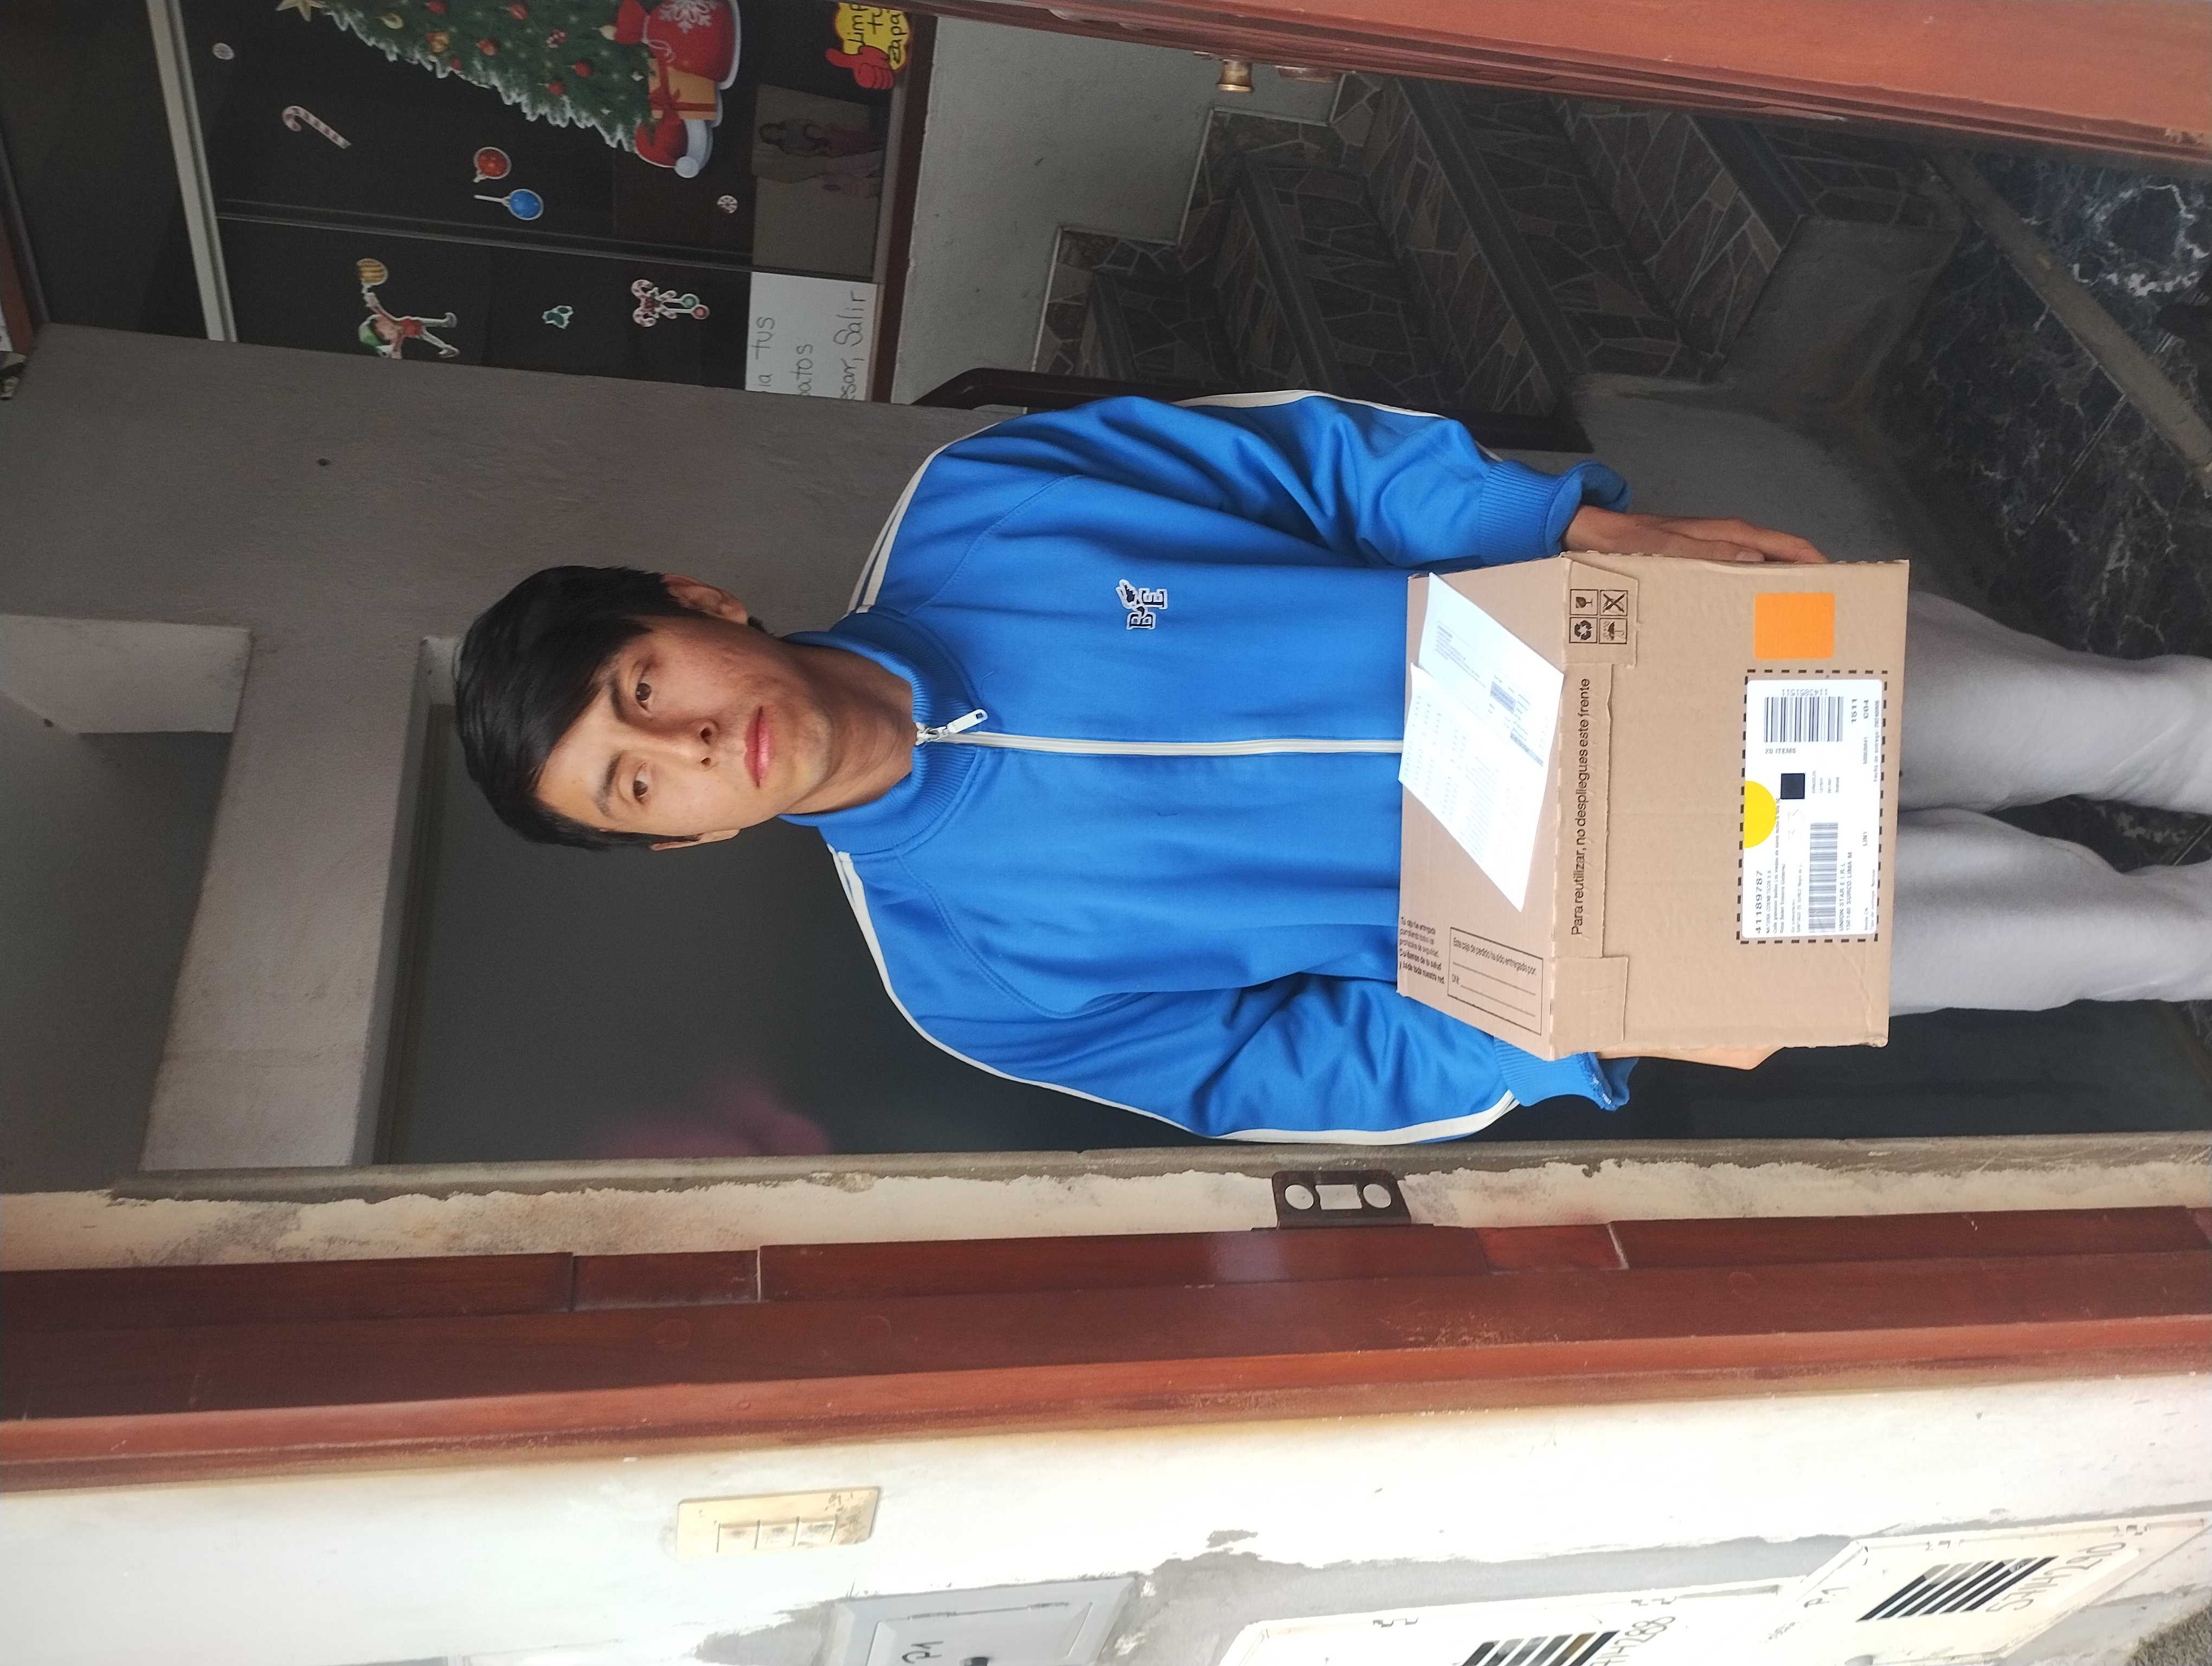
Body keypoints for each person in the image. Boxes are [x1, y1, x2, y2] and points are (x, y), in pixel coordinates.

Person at [454, 393, 2212, 1141]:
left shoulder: (987, 502)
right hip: (1651, 922)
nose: (686, 744)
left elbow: (1326, 465)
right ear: (677, 841)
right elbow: (1299, 1072)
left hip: (1660, 660)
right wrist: (1573, 1023)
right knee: (2112, 940)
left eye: (643, 684)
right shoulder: (966, 980)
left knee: (2109, 722)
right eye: (636, 784)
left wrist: (1593, 531)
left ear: (697, 604)